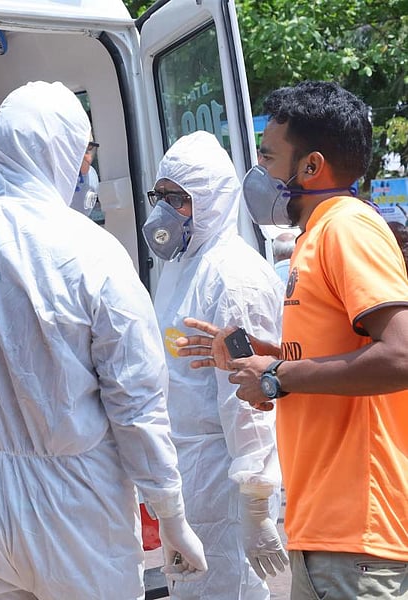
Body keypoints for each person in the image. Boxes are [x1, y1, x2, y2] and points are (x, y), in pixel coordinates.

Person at [0, 81, 207, 599]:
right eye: (84, 156)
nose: (85, 170)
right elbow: (136, 401)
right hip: (77, 509)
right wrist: (169, 510)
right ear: (63, 153)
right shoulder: (93, 253)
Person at [176, 81, 408, 600]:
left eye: (267, 156)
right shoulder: (316, 238)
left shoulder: (347, 229)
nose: (256, 173)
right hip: (323, 529)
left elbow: (400, 354)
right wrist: (263, 355)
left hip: (359, 535)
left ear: (311, 167)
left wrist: (278, 379)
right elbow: (333, 356)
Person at [141, 131, 286, 599]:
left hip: (224, 485)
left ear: (211, 201)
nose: (164, 209)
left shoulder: (234, 277)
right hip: (189, 479)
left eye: (178, 199)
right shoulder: (182, 268)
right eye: (160, 195)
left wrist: (257, 501)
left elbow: (249, 399)